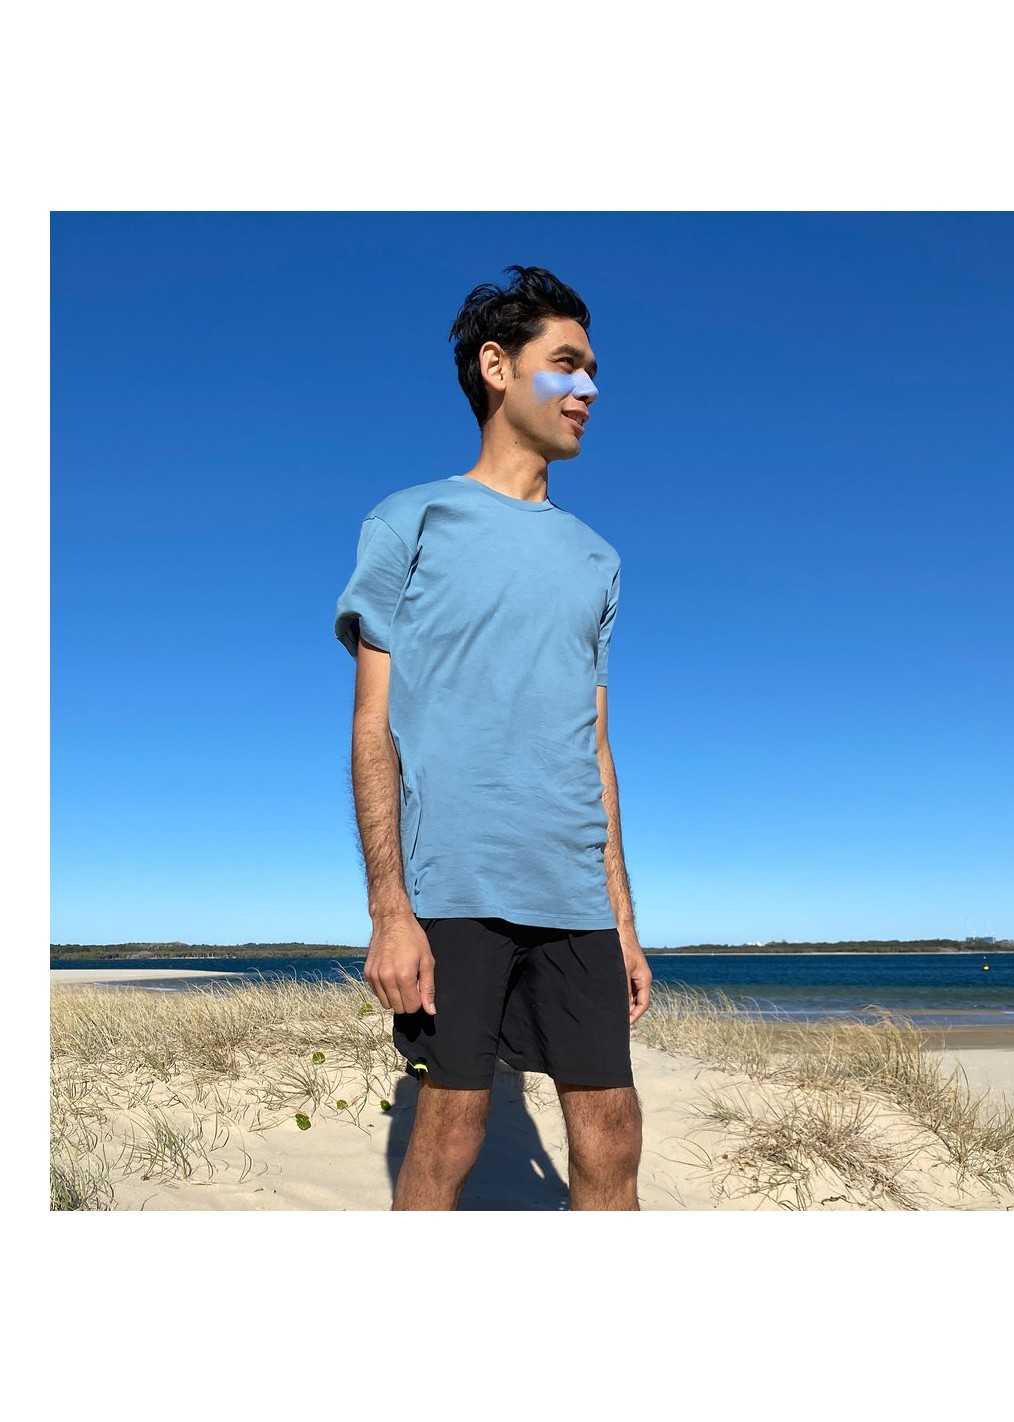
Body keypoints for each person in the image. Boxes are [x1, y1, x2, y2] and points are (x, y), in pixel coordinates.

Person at [333, 264, 651, 1210]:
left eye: (593, 372)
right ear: (497, 367)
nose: (589, 389)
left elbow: (594, 748)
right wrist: (389, 911)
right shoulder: (411, 521)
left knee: (613, 1135)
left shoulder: (597, 558)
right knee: (450, 1132)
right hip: (455, 888)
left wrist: (625, 923)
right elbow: (373, 725)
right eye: (567, 364)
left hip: (574, 894)